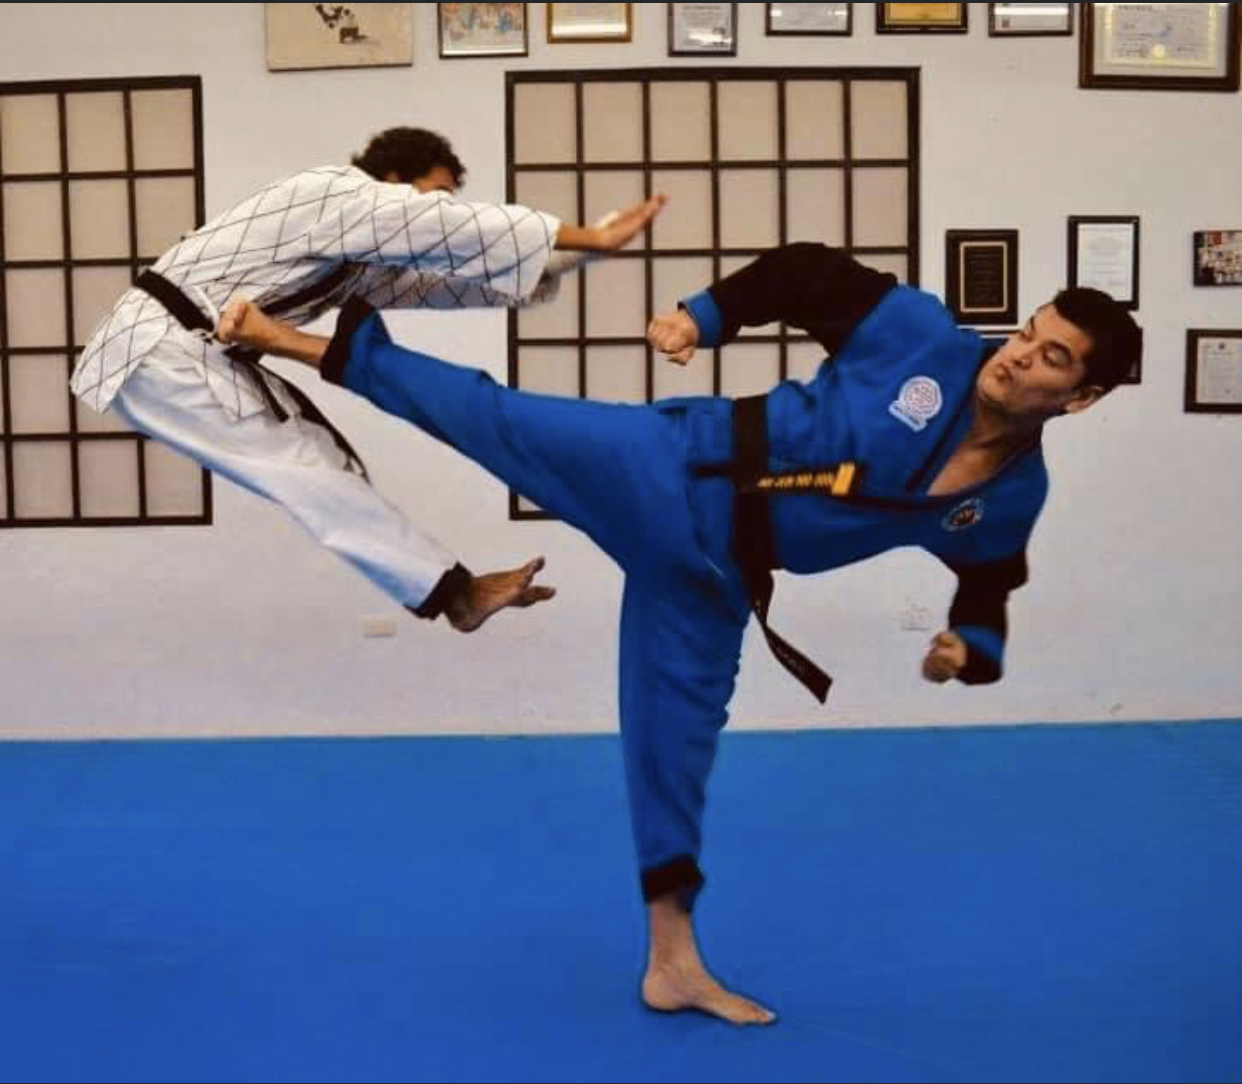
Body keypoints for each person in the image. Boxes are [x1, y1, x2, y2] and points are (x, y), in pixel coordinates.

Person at [213, 242, 1142, 1025]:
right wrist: (702, 317)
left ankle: (673, 966)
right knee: (494, 416)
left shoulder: (1010, 496)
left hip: (713, 578)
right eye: (1029, 331)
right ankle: (280, 337)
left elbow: (988, 593)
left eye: (1052, 357)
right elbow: (801, 272)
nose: (1019, 355)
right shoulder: (924, 339)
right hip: (670, 464)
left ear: (1082, 397)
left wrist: (965, 653)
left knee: (674, 752)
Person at [71, 127, 665, 631]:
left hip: (172, 356)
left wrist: (578, 254)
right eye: (435, 194)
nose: (440, 210)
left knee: (325, 463)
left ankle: (450, 590)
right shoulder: (334, 192)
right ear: (395, 177)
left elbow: (448, 283)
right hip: (160, 346)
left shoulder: (355, 260)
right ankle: (456, 595)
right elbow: (439, 227)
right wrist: (589, 233)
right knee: (306, 468)